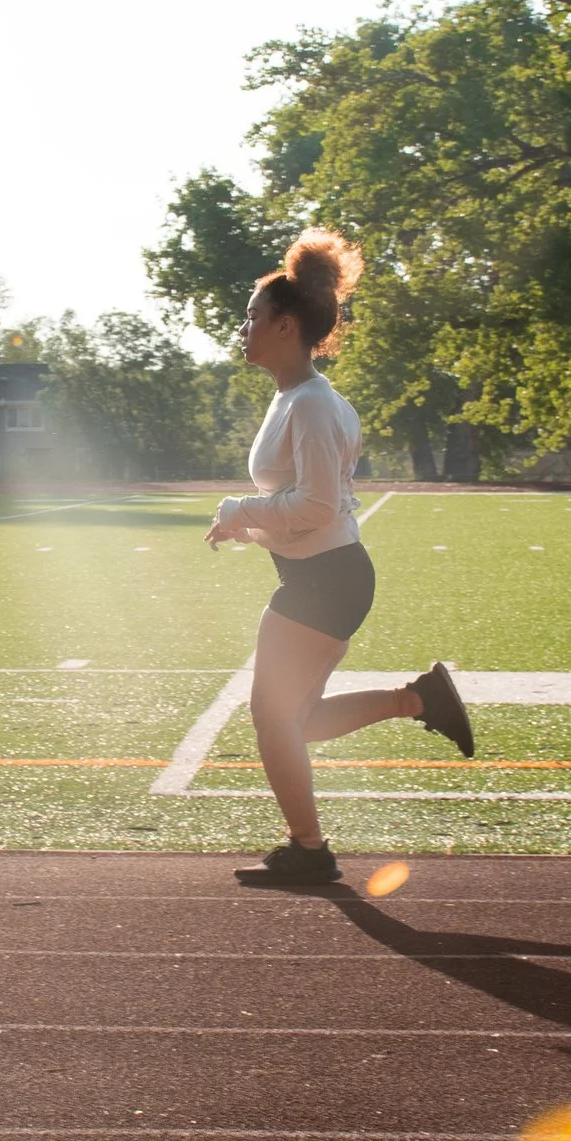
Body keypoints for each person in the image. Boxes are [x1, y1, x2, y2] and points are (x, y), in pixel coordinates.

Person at [206, 229, 475, 886]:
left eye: (252, 316)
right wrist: (248, 528)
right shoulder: (294, 399)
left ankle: (309, 850)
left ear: (286, 325)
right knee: (296, 720)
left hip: (324, 581)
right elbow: (307, 507)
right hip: (323, 576)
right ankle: (419, 700)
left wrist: (240, 510)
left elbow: (319, 506)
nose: (243, 326)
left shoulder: (313, 405)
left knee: (273, 719)